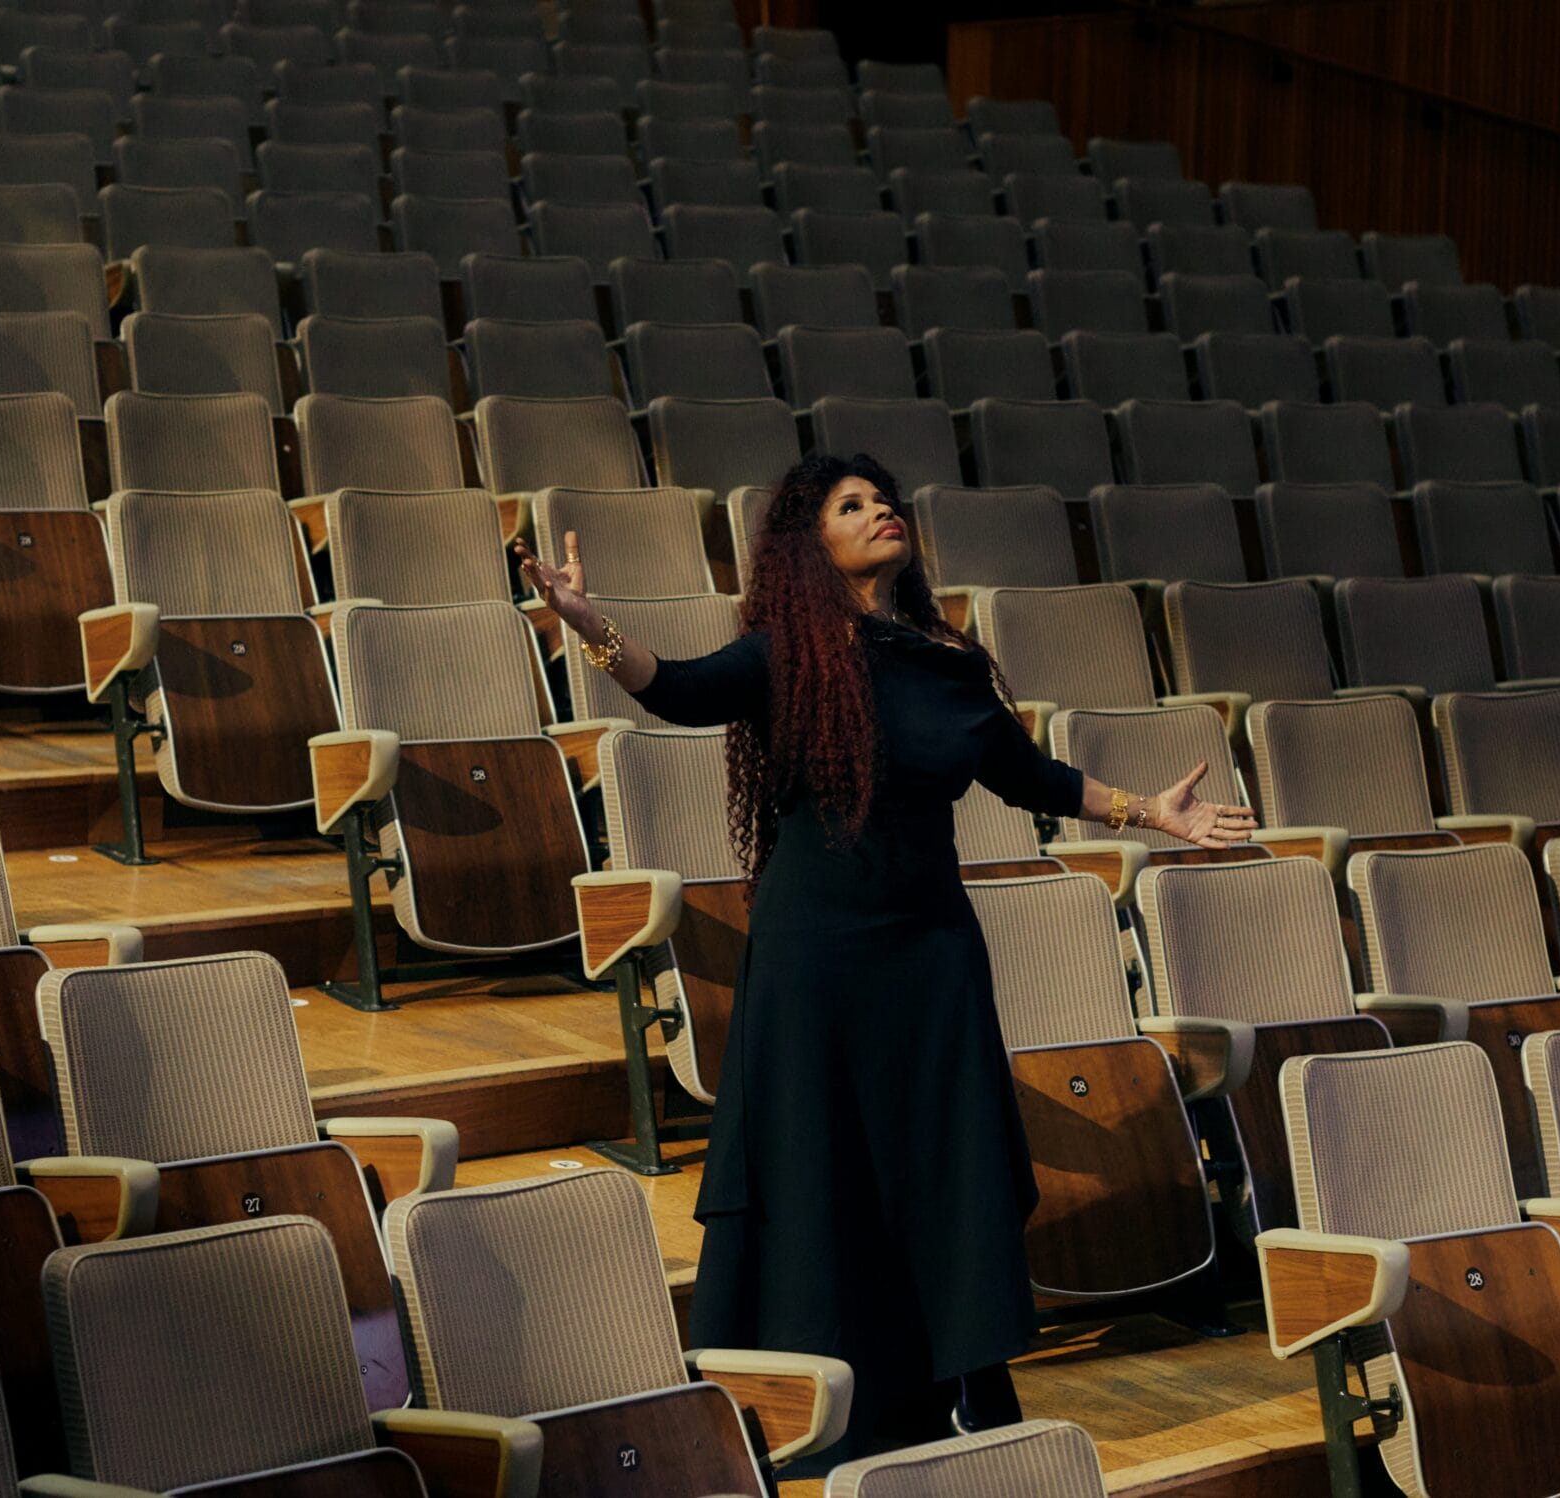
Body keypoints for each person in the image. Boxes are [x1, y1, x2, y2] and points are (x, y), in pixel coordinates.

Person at [517, 452, 1255, 1460]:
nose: (881, 513)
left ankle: (962, 1381)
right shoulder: (789, 652)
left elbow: (1024, 770)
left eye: (885, 500)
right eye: (851, 505)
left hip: (933, 952)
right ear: (809, 543)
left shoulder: (947, 663)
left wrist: (1145, 811)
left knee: (947, 1161)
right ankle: (812, 1398)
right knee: (821, 1165)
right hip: (816, 954)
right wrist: (585, 622)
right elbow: (677, 691)